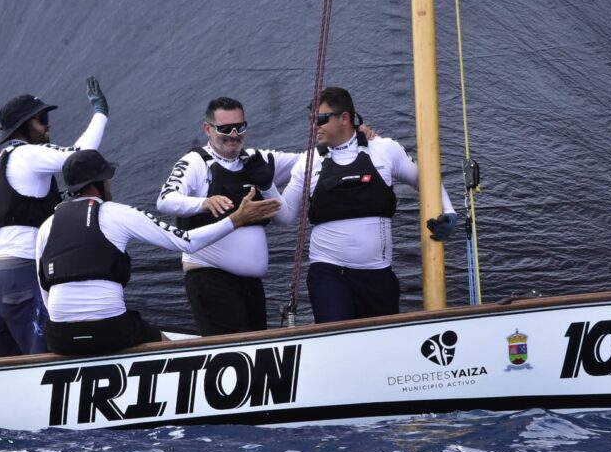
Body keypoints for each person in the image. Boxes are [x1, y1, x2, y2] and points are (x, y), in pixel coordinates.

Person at [0, 76, 110, 357]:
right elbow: (79, 156)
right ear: (24, 125)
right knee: (45, 358)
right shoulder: (28, 155)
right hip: (22, 275)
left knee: (7, 365)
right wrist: (100, 114)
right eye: (42, 118)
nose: (48, 124)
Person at [37, 149, 280, 356]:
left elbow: (44, 287)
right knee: (165, 345)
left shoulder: (47, 224)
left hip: (60, 337)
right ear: (98, 183)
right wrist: (236, 219)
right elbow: (186, 242)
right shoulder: (118, 213)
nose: (110, 184)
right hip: (110, 329)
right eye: (108, 178)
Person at [275, 86, 458, 323]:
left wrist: (450, 211)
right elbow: (285, 216)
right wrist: (266, 185)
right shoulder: (307, 162)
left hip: (377, 276)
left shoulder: (385, 149)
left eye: (320, 119)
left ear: (345, 118)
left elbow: (425, 180)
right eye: (311, 121)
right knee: (337, 340)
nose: (314, 127)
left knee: (380, 350)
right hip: (329, 273)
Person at [156, 96, 302, 336]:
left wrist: (352, 134)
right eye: (224, 129)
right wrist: (204, 203)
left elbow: (308, 161)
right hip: (211, 279)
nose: (234, 135)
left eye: (240, 127)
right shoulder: (195, 162)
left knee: (259, 351)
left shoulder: (256, 159)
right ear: (207, 129)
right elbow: (165, 199)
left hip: (251, 286)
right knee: (236, 351)